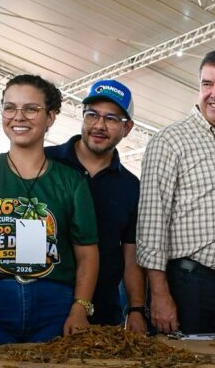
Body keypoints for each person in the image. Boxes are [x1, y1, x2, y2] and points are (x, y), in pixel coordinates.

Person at [0, 74, 99, 347]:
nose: (19, 117)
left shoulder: (72, 181)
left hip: (55, 305)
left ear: (51, 117)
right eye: (10, 107)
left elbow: (87, 254)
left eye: (31, 109)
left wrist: (79, 309)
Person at [136, 49, 215, 334]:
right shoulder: (169, 141)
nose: (214, 93)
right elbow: (151, 226)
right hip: (191, 286)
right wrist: (159, 295)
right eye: (207, 83)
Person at [45, 79, 147, 334]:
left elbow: (130, 253)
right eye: (92, 115)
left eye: (112, 119)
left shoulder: (130, 186)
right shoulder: (46, 163)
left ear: (128, 128)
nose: (99, 125)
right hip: (43, 303)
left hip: (102, 309)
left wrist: (135, 308)